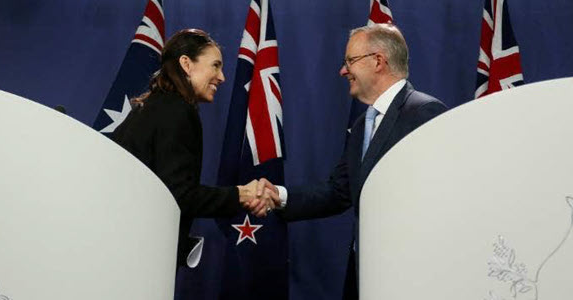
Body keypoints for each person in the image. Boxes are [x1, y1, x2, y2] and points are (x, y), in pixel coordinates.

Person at [250, 23, 448, 298]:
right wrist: (278, 195)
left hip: (406, 273)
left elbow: (438, 199)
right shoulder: (361, 125)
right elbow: (339, 191)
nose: (343, 71)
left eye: (350, 61)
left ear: (378, 61)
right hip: (364, 272)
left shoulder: (423, 112)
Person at [113, 29, 274, 269]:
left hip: (120, 245)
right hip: (139, 258)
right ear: (186, 64)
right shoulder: (177, 111)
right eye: (215, 66)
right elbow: (179, 196)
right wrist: (240, 194)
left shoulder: (153, 107)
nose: (222, 77)